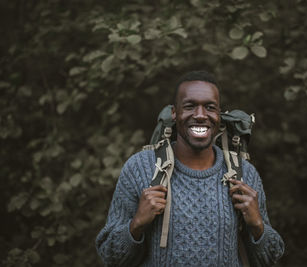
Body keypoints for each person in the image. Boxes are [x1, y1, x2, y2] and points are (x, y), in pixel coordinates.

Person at [95, 71, 284, 266]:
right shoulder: (141, 168)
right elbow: (110, 256)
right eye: (190, 106)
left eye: (210, 107)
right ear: (175, 113)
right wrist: (136, 225)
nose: (201, 115)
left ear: (219, 115)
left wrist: (257, 225)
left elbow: (270, 258)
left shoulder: (243, 173)